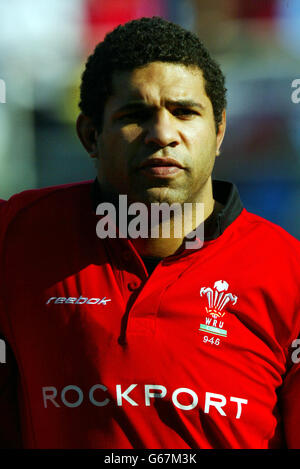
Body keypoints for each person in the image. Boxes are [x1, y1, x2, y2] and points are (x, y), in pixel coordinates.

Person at [0, 16, 300, 450]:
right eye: (136, 115)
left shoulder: (288, 272)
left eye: (184, 112)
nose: (162, 134)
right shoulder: (18, 236)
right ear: (90, 135)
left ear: (218, 132)